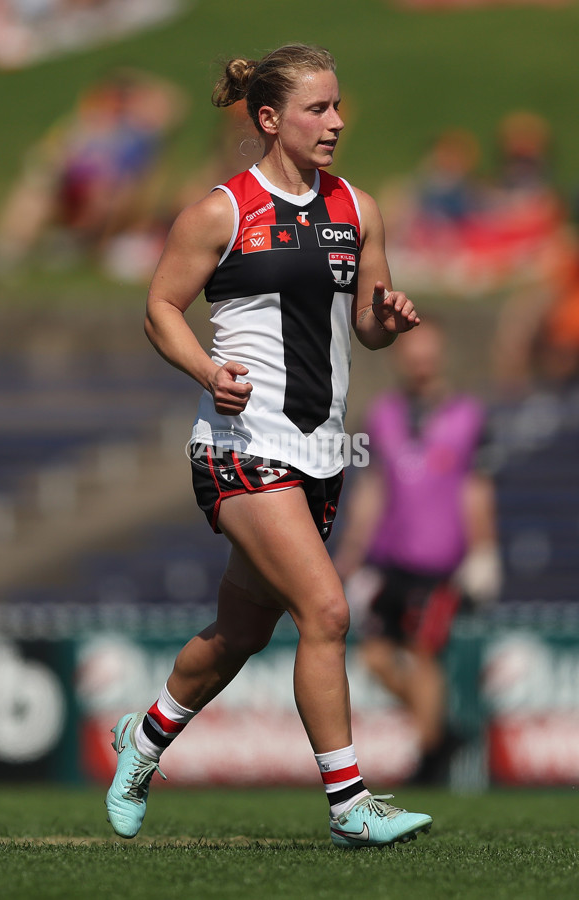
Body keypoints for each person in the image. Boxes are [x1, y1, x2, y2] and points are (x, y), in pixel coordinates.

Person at [105, 43, 432, 849]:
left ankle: (142, 740)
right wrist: (206, 370)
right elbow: (160, 308)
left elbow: (365, 327)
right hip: (240, 444)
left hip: (323, 454)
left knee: (241, 633)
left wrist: (385, 322)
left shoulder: (359, 208)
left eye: (337, 105)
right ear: (270, 118)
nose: (337, 121)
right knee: (326, 610)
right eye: (318, 108)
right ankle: (350, 805)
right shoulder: (221, 211)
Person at [333, 317, 500, 783]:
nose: (420, 360)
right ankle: (441, 735)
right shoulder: (382, 414)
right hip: (390, 557)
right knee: (375, 657)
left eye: (428, 351)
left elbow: (477, 489)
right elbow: (372, 488)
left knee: (424, 653)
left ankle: (429, 759)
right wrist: (353, 550)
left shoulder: (469, 415)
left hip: (440, 559)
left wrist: (484, 550)